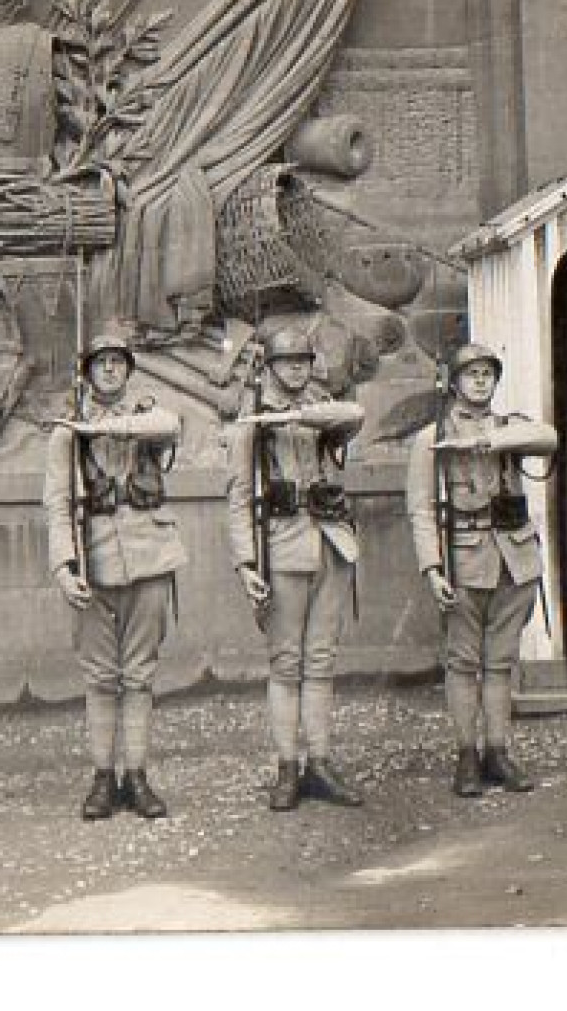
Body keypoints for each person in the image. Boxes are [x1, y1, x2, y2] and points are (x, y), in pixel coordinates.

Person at [43, 325, 186, 820]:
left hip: (149, 555)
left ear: (129, 371)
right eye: (101, 362)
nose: (110, 368)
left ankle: (138, 776)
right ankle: (104, 778)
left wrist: (110, 426)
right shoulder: (67, 433)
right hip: (94, 557)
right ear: (87, 372)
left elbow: (171, 426)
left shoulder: (149, 417)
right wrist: (64, 565)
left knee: (140, 676)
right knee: (102, 678)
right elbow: (58, 504)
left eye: (119, 362)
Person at [405, 344, 558, 798]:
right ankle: (466, 754)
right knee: (462, 661)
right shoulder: (429, 438)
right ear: (454, 382)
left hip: (514, 557)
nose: (480, 381)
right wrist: (432, 567)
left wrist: (492, 439)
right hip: (463, 559)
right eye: (470, 374)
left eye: (488, 373)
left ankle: (498, 750)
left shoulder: (512, 428)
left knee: (500, 662)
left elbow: (548, 438)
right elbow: (420, 510)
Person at [226, 328, 367, 811]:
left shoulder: (322, 408)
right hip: (281, 547)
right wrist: (246, 562)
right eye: (286, 362)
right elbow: (240, 497)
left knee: (322, 660)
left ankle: (321, 762)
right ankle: (288, 766)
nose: (296, 369)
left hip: (330, 542)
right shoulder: (252, 422)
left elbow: (354, 415)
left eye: (303, 361)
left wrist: (298, 412)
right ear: (268, 368)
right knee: (286, 663)